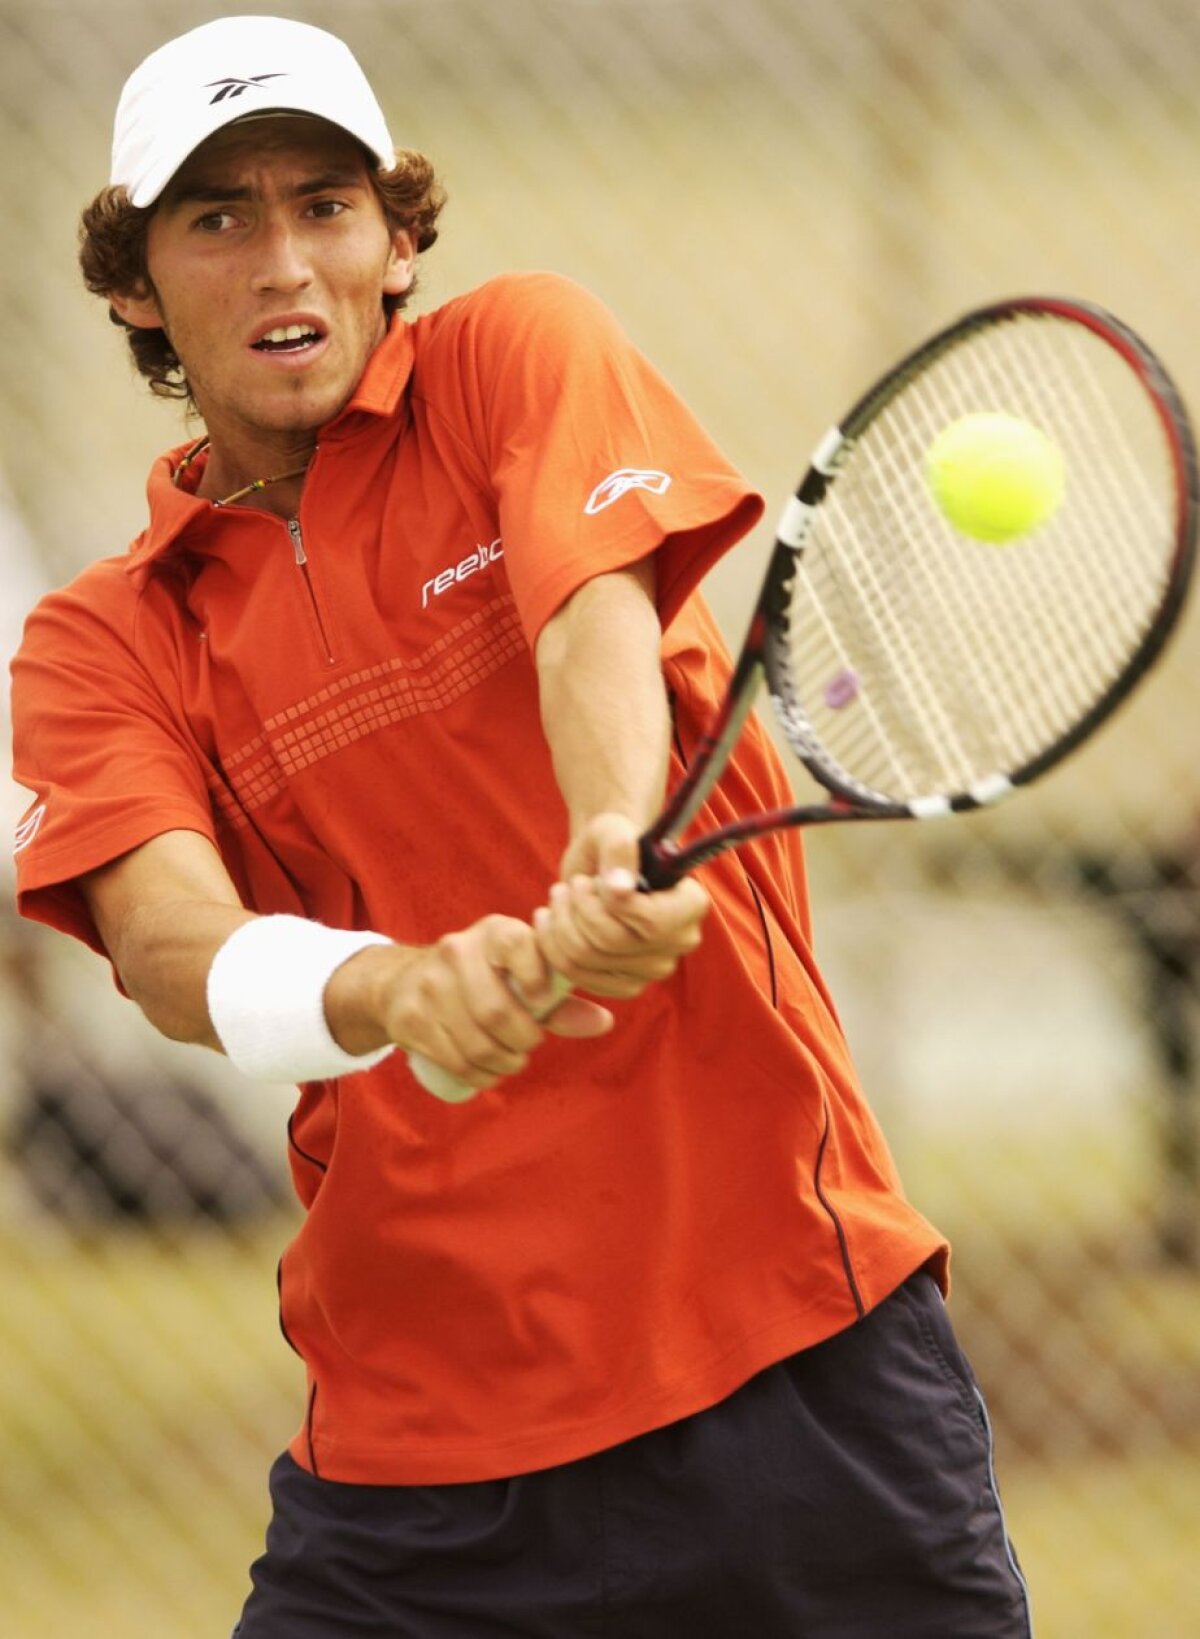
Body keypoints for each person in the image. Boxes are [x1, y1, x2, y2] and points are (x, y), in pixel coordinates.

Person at [10, 15, 1033, 1638]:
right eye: (217, 219)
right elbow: (163, 942)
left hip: (793, 1362)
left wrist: (612, 836)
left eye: (326, 207)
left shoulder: (518, 355)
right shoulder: (102, 639)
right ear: (135, 284)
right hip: (418, 1457)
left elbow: (588, 619)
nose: (284, 261)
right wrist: (395, 988)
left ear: (398, 240)